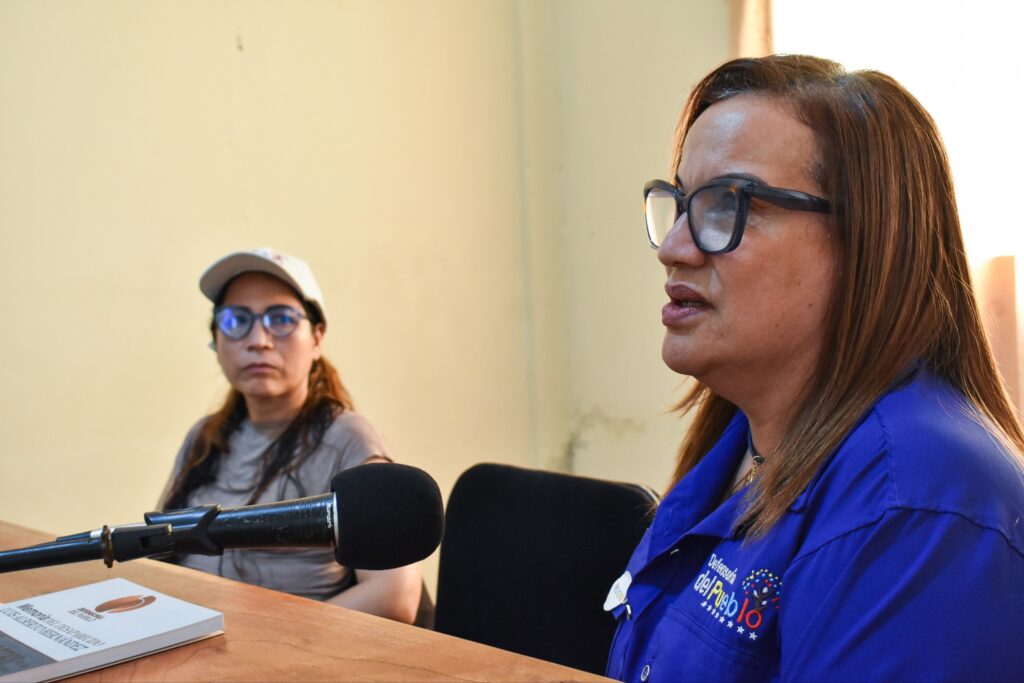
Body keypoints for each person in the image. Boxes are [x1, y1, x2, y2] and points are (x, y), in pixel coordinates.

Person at [605, 55, 1024, 682]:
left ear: (868, 239)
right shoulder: (741, 446)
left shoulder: (915, 499)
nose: (673, 248)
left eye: (727, 205)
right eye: (681, 203)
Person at [159, 247, 425, 625]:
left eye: (281, 319)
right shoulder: (204, 438)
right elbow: (161, 549)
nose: (259, 340)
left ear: (317, 338)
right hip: (192, 637)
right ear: (216, 341)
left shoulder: (347, 439)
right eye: (236, 320)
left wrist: (268, 636)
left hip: (289, 649)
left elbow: (395, 596)